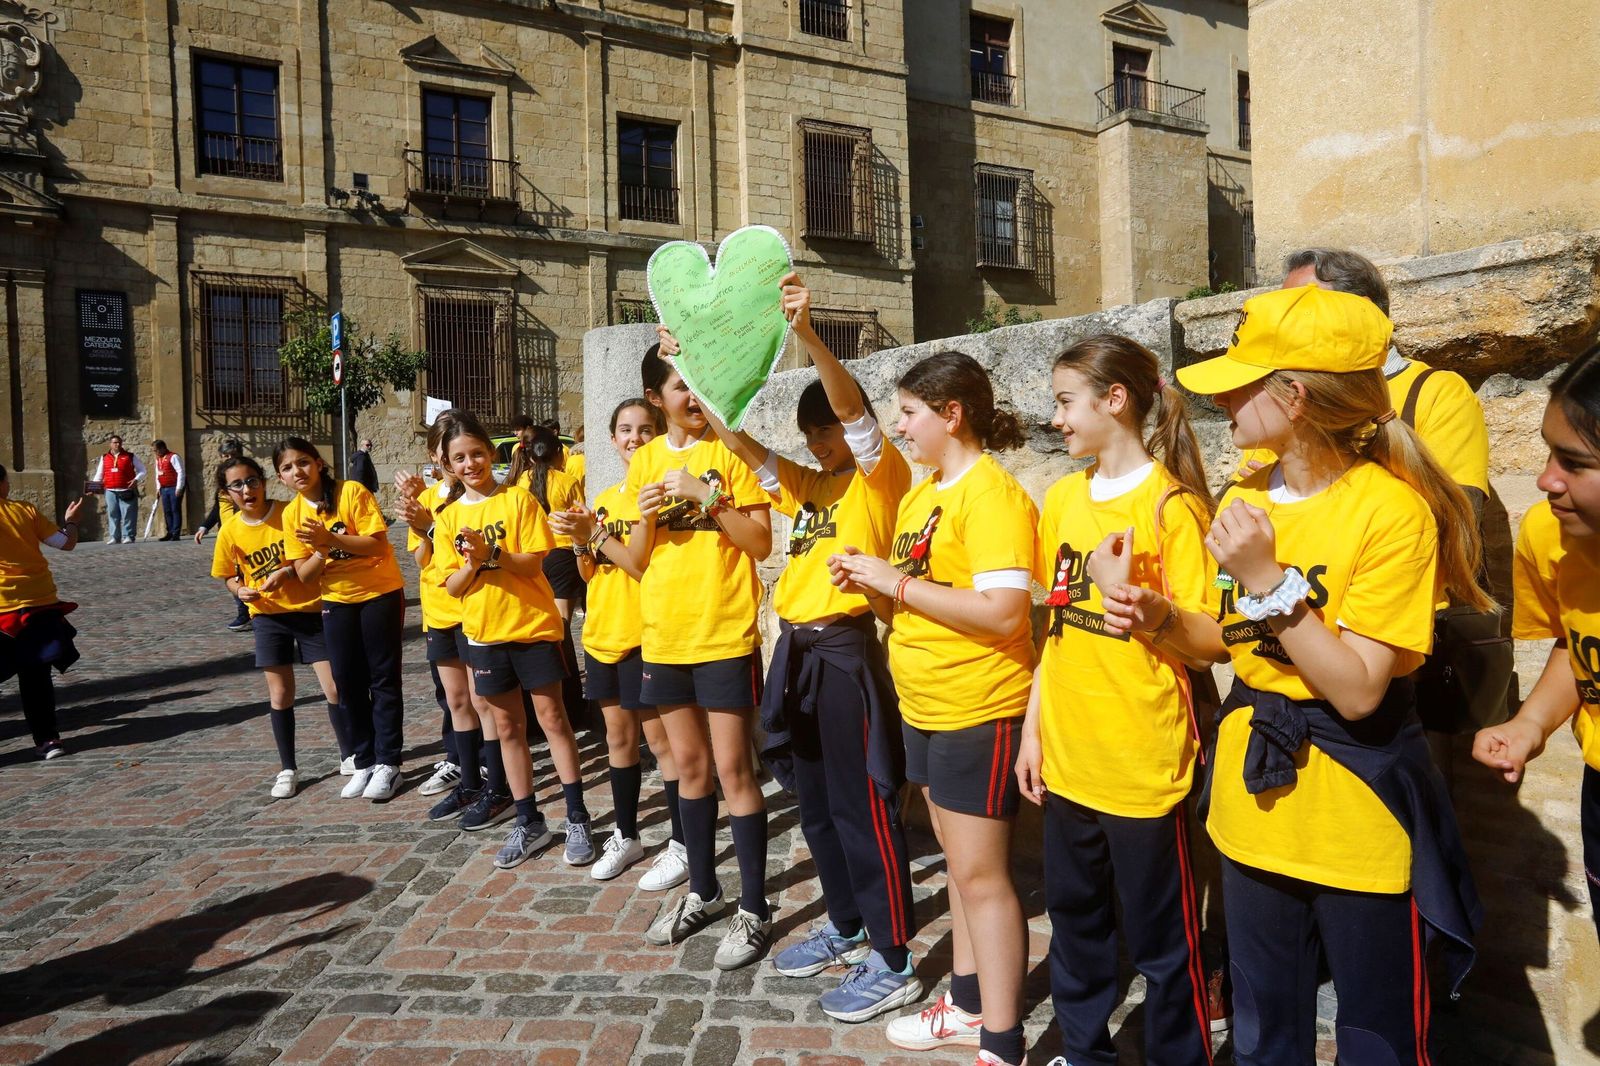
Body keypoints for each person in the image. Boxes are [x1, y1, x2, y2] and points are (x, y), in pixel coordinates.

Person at [1124, 284, 1490, 1064]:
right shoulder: (1246, 494)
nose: (1223, 401)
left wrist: (1268, 582)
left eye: (1241, 382)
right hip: (1257, 802)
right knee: (1261, 1032)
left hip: (1356, 811)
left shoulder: (1393, 511)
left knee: (1376, 1038)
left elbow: (1359, 688)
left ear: (1294, 396)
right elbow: (1227, 643)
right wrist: (1156, 616)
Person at [665, 274, 919, 1023]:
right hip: (795, 655)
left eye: (828, 433)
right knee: (814, 808)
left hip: (844, 655)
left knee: (862, 807)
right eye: (811, 438)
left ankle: (894, 954)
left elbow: (851, 407)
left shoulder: (881, 480)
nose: (819, 442)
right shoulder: (812, 487)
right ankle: (844, 925)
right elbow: (739, 444)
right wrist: (700, 377)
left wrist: (809, 336)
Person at [828, 351, 1037, 1066]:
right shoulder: (923, 496)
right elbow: (918, 599)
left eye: (911, 412)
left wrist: (897, 585)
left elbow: (1005, 613)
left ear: (952, 415)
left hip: (978, 704)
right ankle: (971, 1005)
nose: (901, 426)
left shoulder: (994, 496)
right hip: (925, 701)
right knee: (957, 865)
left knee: (984, 878)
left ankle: (1002, 1042)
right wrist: (870, 584)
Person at [1012, 336, 1216, 1066]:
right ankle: (1083, 1050)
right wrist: (1034, 732)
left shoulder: (1172, 507)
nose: (1058, 419)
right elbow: (1056, 628)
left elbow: (1214, 642)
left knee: (1165, 945)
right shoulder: (1063, 499)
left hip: (1143, 766)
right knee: (1076, 924)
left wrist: (1151, 608)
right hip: (1070, 760)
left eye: (1068, 402)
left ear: (1115, 400)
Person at [613, 342, 773, 972]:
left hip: (724, 632)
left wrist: (710, 500)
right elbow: (637, 558)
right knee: (688, 769)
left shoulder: (732, 449)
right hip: (665, 634)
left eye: (701, 383)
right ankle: (703, 891)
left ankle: (754, 909)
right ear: (658, 399)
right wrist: (647, 518)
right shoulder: (645, 460)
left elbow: (760, 542)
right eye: (682, 385)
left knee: (735, 770)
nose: (694, 396)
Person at [1472, 344, 1600, 944]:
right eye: (1550, 454)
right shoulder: (1549, 535)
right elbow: (1574, 649)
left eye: (1573, 462)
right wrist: (1531, 725)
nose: (1546, 479)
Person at [429, 410, 595, 869]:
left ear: (492, 453)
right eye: (459, 458)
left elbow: (534, 562)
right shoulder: (446, 519)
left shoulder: (518, 500)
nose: (470, 464)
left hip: (532, 627)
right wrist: (473, 564)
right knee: (507, 729)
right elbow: (453, 585)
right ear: (446, 462)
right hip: (482, 635)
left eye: (477, 454)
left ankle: (578, 815)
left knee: (554, 719)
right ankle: (529, 819)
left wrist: (491, 554)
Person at [549, 398, 688, 890]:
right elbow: (590, 573)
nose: (635, 439)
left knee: (663, 744)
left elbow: (641, 567)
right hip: (603, 633)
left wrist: (598, 534)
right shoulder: (603, 497)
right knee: (618, 740)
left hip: (646, 636)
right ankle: (627, 834)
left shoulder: (661, 500)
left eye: (645, 429)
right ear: (611, 439)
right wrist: (580, 541)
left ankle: (682, 842)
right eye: (625, 430)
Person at [277, 436, 408, 802]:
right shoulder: (291, 515)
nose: (297, 471)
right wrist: (321, 549)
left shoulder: (351, 492)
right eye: (287, 468)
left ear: (318, 463)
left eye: (302, 462)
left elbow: (377, 544)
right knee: (347, 682)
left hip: (379, 594)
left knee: (382, 678)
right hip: (336, 600)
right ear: (281, 478)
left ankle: (389, 763)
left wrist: (329, 540)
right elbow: (303, 574)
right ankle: (363, 760)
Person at [209, 456, 347, 798]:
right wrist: (239, 590)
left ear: (264, 481)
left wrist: (285, 572)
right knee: (281, 694)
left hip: (310, 611)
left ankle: (350, 754)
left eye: (252, 481)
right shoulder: (230, 531)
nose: (247, 489)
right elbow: (228, 574)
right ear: (226, 494)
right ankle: (288, 768)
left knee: (334, 688)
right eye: (237, 485)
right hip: (268, 617)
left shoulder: (287, 512)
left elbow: (312, 552)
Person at [394, 424, 504, 826]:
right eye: (442, 453)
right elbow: (424, 559)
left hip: (472, 611)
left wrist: (430, 524)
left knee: (482, 702)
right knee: (457, 702)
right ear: (435, 456)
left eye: (455, 452)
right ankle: (470, 782)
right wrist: (421, 525)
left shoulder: (474, 497)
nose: (449, 461)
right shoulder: (425, 497)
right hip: (438, 611)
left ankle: (497, 786)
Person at [0, 463, 87, 759]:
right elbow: (66, 543)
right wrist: (72, 521)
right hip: (38, 603)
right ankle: (48, 740)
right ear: (3, 485)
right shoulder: (25, 510)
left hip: (3, 608)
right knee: (35, 677)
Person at [513, 425, 589, 732]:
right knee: (561, 630)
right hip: (562, 555)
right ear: (560, 454)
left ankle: (541, 703)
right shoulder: (567, 481)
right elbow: (579, 519)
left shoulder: (520, 482)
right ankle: (570, 701)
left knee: (545, 629)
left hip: (536, 556)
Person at [195, 438, 253, 635]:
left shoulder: (246, 476)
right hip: (226, 534)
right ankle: (248, 613)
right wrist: (205, 526)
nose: (227, 460)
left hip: (243, 532)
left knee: (241, 573)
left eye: (230, 456)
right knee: (232, 574)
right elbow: (218, 506)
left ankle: (247, 614)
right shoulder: (223, 478)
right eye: (224, 456)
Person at [94, 435, 145, 544]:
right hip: (110, 490)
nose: (117, 444)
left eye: (119, 442)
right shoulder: (105, 458)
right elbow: (99, 474)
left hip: (126, 490)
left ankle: (128, 536)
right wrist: (92, 487)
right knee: (112, 514)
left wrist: (136, 480)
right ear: (110, 444)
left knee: (128, 514)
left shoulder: (130, 456)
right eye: (115, 442)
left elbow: (142, 470)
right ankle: (114, 537)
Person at [151, 440, 186, 541]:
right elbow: (158, 474)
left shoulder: (173, 457)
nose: (155, 453)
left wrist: (179, 487)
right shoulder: (159, 459)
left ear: (162, 448)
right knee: (167, 510)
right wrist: (158, 488)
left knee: (175, 509)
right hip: (164, 487)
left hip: (174, 486)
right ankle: (169, 531)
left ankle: (176, 532)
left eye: (156, 450)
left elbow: (180, 472)